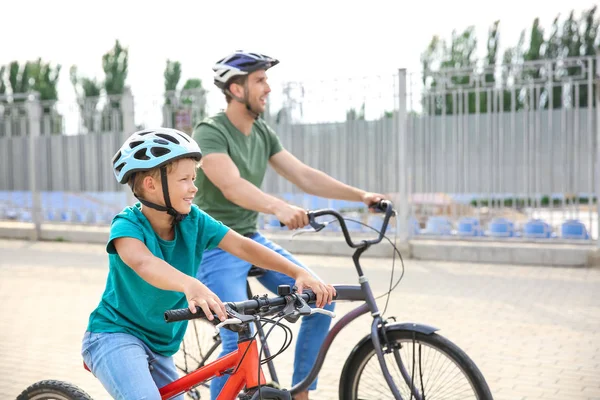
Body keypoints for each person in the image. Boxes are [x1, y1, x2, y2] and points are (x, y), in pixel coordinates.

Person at [81, 127, 336, 400]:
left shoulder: (194, 220)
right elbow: (144, 263)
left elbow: (242, 245)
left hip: (161, 347)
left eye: (194, 178)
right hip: (114, 336)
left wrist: (298, 272)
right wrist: (190, 285)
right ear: (150, 184)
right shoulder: (128, 224)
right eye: (184, 179)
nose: (194, 187)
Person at [192, 50, 386, 400]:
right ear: (236, 89)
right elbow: (230, 184)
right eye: (260, 80)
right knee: (240, 334)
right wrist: (278, 207)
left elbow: (304, 175)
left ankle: (299, 394)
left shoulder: (262, 133)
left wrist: (362, 196)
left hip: (249, 238)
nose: (268, 88)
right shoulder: (211, 132)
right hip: (215, 245)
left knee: (320, 298)